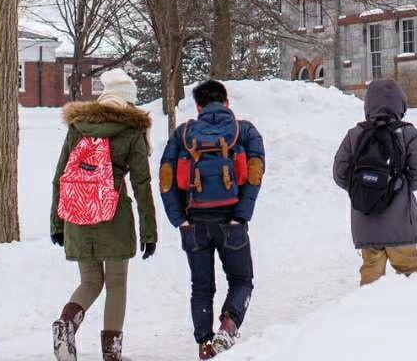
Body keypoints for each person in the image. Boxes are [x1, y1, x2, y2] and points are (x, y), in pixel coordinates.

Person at [50, 68, 157, 361]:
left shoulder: (78, 127)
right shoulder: (132, 132)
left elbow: (60, 176)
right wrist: (150, 232)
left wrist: (57, 223)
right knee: (116, 283)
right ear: (128, 102)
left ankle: (66, 325)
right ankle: (112, 354)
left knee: (90, 282)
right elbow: (142, 185)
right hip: (114, 216)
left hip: (76, 213)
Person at [159, 80, 266, 360]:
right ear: (226, 102)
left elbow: (166, 178)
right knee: (242, 280)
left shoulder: (183, 133)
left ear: (198, 106)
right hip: (231, 220)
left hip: (194, 223)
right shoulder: (245, 131)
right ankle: (228, 327)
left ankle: (205, 347)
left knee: (201, 287)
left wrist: (179, 220)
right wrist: (241, 215)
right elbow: (255, 173)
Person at [333, 78, 417, 285]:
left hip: (365, 221)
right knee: (410, 274)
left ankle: (370, 315)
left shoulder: (355, 134)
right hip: (401, 225)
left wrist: (363, 190)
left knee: (371, 278)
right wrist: (401, 188)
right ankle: (413, 315)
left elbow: (340, 173)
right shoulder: (408, 133)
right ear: (400, 105)